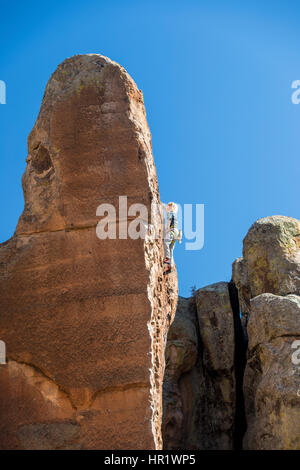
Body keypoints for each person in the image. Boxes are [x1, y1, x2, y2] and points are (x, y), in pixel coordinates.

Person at [163, 202, 181, 274]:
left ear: (172, 207)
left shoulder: (171, 213)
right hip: (176, 234)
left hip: (172, 230)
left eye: (169, 206)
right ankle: (169, 266)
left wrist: (167, 229)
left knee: (166, 242)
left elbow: (169, 221)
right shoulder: (174, 214)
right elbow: (165, 208)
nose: (168, 207)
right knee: (171, 249)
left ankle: (167, 259)